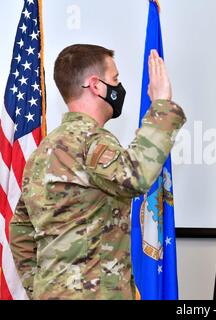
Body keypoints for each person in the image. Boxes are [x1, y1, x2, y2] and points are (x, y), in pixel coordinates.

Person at [9, 44, 186, 300]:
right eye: (114, 79)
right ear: (96, 85)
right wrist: (161, 105)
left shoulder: (42, 152)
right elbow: (136, 176)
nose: (118, 87)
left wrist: (46, 289)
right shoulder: (91, 141)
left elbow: (21, 231)